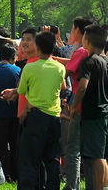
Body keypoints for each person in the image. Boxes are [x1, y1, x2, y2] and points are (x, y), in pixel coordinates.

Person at [13, 31, 67, 190]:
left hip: (35, 116)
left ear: (38, 47)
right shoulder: (59, 68)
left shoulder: (30, 67)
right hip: (55, 117)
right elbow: (62, 87)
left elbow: (21, 90)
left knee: (29, 158)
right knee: (52, 159)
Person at [57, 17, 95, 190]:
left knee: (72, 150)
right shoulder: (96, 53)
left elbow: (66, 72)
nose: (71, 31)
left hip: (78, 108)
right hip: (94, 108)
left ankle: (72, 186)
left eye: (73, 28)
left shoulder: (81, 52)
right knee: (91, 153)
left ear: (79, 31)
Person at [70, 24, 108, 190]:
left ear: (88, 41)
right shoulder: (105, 61)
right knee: (102, 155)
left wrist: (74, 105)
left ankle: (101, 187)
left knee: (97, 156)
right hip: (104, 112)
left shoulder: (88, 61)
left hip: (93, 113)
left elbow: (83, 85)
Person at [0, 44, 21, 182]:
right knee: (15, 145)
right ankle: (16, 174)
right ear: (13, 57)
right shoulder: (18, 71)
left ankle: (3, 174)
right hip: (15, 114)